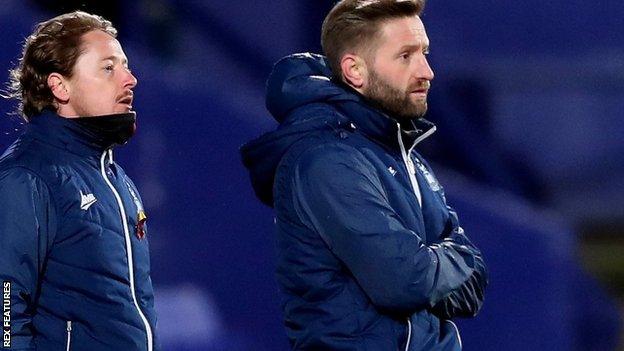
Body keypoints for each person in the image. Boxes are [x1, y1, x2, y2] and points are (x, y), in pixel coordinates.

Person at [241, 0, 488, 349]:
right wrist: (451, 262)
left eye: (425, 53)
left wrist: (437, 266)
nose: (426, 71)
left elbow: (475, 284)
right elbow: (404, 283)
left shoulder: (404, 156)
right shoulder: (326, 161)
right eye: (406, 56)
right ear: (355, 71)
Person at [0, 11, 158, 350]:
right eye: (108, 68)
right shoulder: (27, 176)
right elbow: (5, 306)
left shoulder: (116, 179)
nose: (130, 79)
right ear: (60, 86)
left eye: (126, 65)